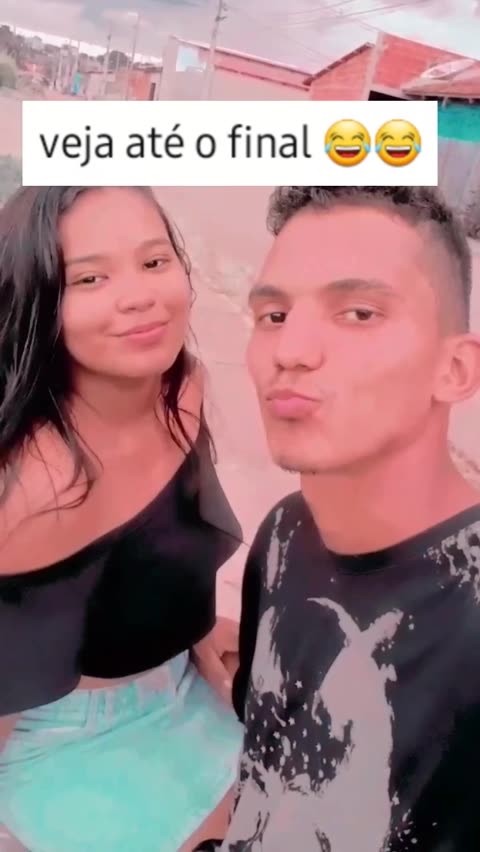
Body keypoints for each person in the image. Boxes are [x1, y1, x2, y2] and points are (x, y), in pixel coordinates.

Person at [196, 185, 480, 851]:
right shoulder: (286, 533)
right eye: (273, 315)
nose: (290, 350)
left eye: (358, 313)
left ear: (455, 369)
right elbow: (268, 769)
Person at [0, 185, 244, 852]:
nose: (139, 296)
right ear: (39, 302)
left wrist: (200, 636)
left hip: (181, 682)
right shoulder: (34, 490)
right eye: (90, 278)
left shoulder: (182, 391)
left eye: (154, 262)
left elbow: (159, 555)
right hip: (59, 739)